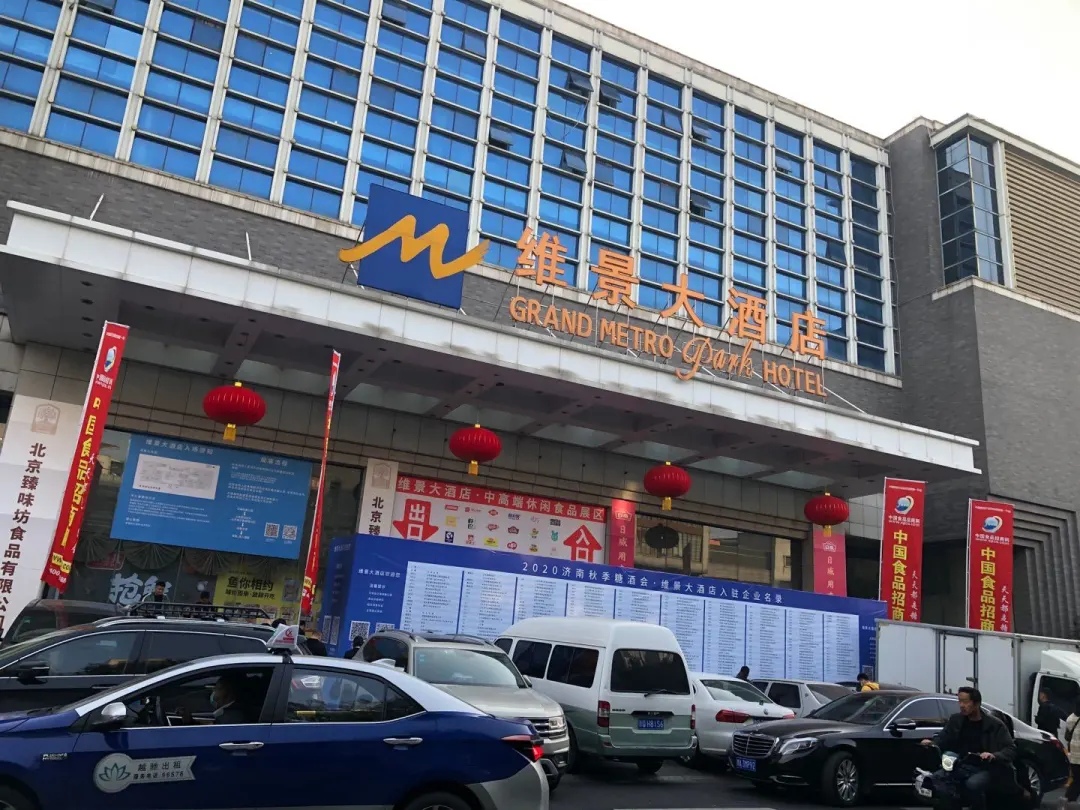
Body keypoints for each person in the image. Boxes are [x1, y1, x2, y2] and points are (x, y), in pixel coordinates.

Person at [921, 686, 1016, 810]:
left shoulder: (994, 725)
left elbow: (1010, 748)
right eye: (960, 701)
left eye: (965, 702)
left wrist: (993, 755)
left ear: (976, 704)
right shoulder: (956, 720)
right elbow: (944, 737)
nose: (961, 705)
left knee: (973, 784)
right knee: (937, 780)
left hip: (985, 767)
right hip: (959, 764)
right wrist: (932, 743)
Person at [1062, 705, 1080, 809]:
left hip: (1073, 755)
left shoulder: (1070, 718)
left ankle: (1066, 800)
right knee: (1077, 781)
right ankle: (1066, 799)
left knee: (1077, 779)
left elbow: (1066, 736)